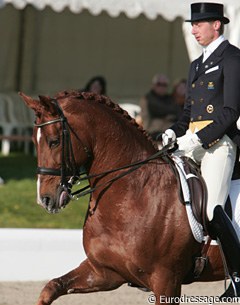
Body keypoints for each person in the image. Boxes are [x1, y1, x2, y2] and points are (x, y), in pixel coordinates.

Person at [161, 3, 240, 297]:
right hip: (191, 143)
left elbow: (230, 111)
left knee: (211, 208)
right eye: (192, 24)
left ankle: (238, 276)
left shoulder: (232, 58)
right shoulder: (197, 64)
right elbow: (187, 115)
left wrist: (196, 139)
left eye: (198, 24)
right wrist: (173, 131)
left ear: (216, 25)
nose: (193, 29)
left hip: (220, 144)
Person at [140, 73, 178, 140]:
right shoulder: (147, 99)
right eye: (159, 84)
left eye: (164, 85)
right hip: (153, 133)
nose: (161, 87)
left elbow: (177, 113)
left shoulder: (171, 99)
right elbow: (146, 119)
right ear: (154, 85)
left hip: (170, 132)